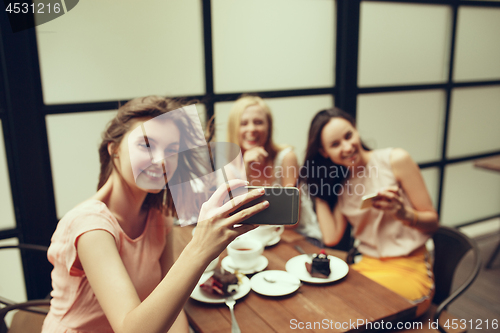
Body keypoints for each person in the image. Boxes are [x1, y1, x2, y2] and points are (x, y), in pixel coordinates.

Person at [42, 96, 268, 333]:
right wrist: (200, 247)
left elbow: (172, 300)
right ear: (114, 149)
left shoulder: (159, 216)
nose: (162, 160)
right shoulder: (90, 226)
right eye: (146, 145)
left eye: (172, 150)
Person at [302, 107, 439, 316]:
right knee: (323, 305)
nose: (347, 147)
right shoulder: (343, 185)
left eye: (349, 136)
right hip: (368, 266)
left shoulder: (395, 160)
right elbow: (331, 237)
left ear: (356, 130)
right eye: (335, 144)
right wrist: (316, 187)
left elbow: (433, 221)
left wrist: (404, 213)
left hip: (409, 265)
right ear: (324, 152)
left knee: (356, 311)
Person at [226, 95, 323, 241]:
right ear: (234, 128)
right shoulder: (231, 167)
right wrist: (245, 169)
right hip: (256, 237)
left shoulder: (286, 158)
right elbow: (235, 218)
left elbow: (292, 221)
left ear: (268, 127)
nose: (251, 129)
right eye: (244, 123)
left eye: (258, 122)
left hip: (298, 236)